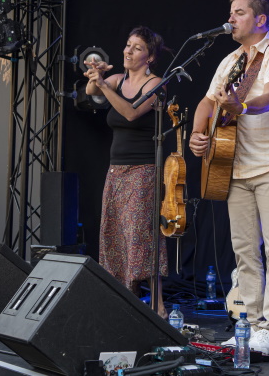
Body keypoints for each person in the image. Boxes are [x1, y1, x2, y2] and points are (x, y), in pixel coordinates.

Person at [189, 0, 269, 355]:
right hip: (234, 165)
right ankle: (249, 326)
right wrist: (197, 134)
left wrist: (240, 105)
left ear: (260, 19)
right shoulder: (231, 59)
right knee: (245, 252)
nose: (231, 19)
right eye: (231, 12)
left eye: (238, 13)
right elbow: (207, 100)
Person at [84, 26, 169, 318]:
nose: (128, 51)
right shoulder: (117, 79)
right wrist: (99, 74)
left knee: (141, 236)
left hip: (144, 169)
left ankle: (158, 305)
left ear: (150, 57)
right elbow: (89, 90)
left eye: (136, 48)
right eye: (127, 45)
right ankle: (126, 299)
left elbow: (131, 112)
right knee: (116, 233)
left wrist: (104, 85)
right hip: (116, 170)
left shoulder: (155, 84)